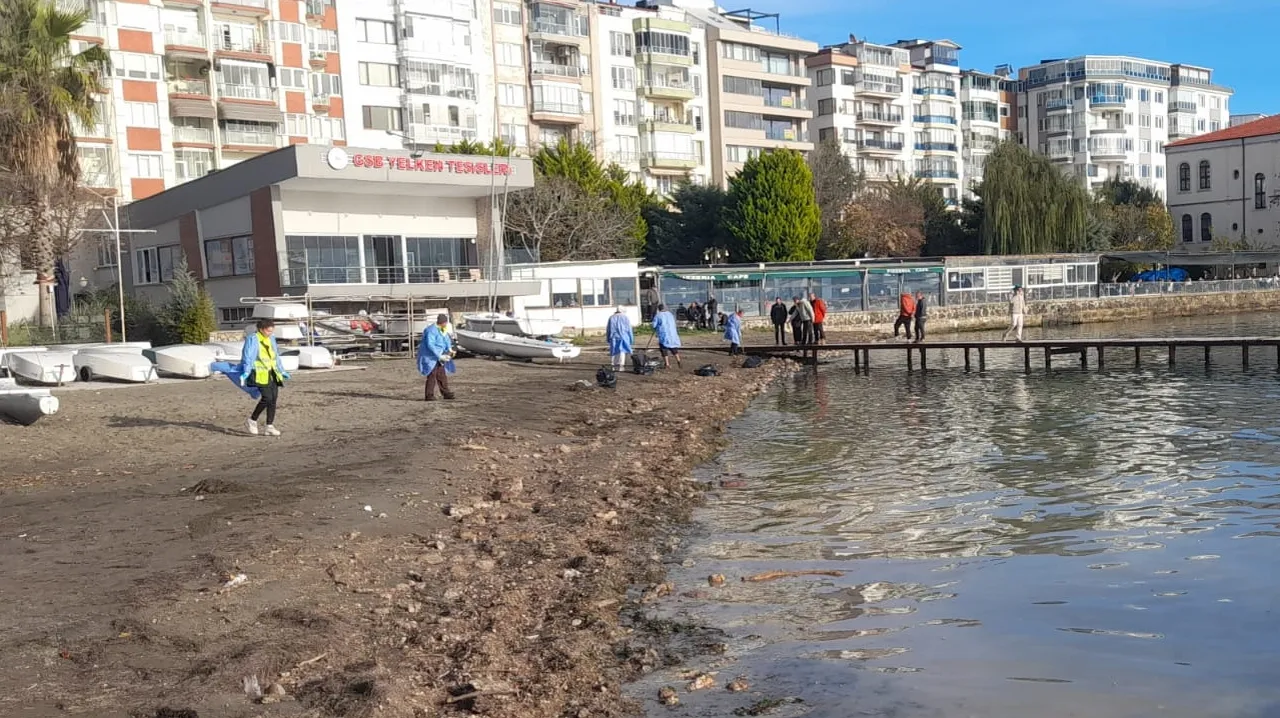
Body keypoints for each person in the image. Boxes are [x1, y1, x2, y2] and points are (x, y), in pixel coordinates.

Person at [240, 318, 289, 436]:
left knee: (273, 400)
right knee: (266, 398)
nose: (270, 333)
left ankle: (269, 426)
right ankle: (252, 420)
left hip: (273, 373)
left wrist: (282, 370)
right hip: (259, 373)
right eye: (268, 331)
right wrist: (246, 371)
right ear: (261, 329)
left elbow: (275, 356)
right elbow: (248, 356)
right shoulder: (253, 339)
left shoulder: (271, 339)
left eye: (272, 331)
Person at [418, 313, 456, 401]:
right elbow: (430, 344)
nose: (446, 324)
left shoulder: (442, 329)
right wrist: (439, 355)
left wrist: (449, 349)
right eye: (445, 323)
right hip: (429, 356)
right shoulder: (430, 330)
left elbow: (446, 339)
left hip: (439, 355)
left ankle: (446, 393)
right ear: (442, 322)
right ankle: (429, 395)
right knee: (432, 375)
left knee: (441, 374)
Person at [651, 303, 682, 369]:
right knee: (673, 348)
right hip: (672, 334)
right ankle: (678, 361)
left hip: (664, 334)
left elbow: (654, 325)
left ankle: (667, 364)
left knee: (664, 349)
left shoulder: (658, 315)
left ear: (658, 309)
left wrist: (655, 328)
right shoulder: (670, 314)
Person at [605, 306, 633, 372]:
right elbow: (629, 329)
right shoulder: (625, 317)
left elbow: (608, 329)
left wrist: (608, 337)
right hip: (624, 337)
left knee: (613, 351)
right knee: (622, 351)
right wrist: (631, 339)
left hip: (614, 337)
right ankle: (621, 367)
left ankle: (613, 366)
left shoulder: (611, 317)